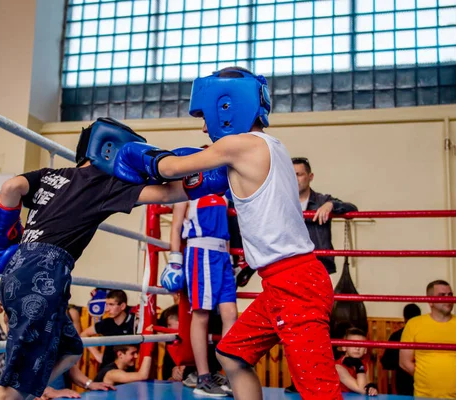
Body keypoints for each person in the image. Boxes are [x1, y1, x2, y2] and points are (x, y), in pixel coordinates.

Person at [108, 67, 343, 399]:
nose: (204, 126)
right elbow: (181, 191)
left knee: (319, 391)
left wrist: (126, 152)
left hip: (296, 286)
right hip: (281, 283)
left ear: (227, 106)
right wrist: (116, 197)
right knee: (231, 354)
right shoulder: (270, 147)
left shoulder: (239, 145)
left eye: (205, 115)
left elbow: (170, 169)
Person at [0, 117, 193, 400]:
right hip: (45, 275)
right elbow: (169, 192)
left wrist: (3, 228)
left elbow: (9, 188)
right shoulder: (105, 184)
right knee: (11, 389)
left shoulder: (49, 175)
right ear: (113, 151)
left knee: (70, 350)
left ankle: (30, 392)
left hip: (18, 266)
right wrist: (217, 174)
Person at [167, 191, 237, 396]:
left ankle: (231, 373)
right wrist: (174, 260)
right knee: (201, 313)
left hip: (223, 255)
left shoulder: (223, 191)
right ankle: (204, 377)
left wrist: (231, 260)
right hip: (200, 252)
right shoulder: (187, 189)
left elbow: (226, 231)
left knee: (230, 314)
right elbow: (176, 225)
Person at [400, 280, 456, 398]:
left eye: (450, 295)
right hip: (424, 396)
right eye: (442, 295)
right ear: (430, 301)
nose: (448, 299)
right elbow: (404, 362)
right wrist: (425, 377)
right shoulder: (414, 324)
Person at [292, 157, 358, 274]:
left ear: (310, 176)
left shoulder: (322, 201)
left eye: (299, 174)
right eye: (291, 175)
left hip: (317, 264)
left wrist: (331, 205)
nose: (294, 179)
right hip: (291, 263)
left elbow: (352, 209)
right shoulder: (283, 203)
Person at [80, 290, 135, 370]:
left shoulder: (133, 322)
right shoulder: (106, 323)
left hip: (126, 371)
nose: (107, 309)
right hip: (106, 369)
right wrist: (97, 355)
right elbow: (83, 334)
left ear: (122, 306)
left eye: (111, 305)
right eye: (106, 304)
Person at [380, 303, 421, 395]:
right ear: (420, 317)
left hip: (403, 383)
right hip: (424, 380)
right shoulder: (425, 335)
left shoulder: (397, 335)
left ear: (404, 318)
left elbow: (387, 363)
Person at [335, 327, 378, 396]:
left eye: (361, 345)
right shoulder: (338, 367)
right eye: (353, 344)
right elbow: (362, 389)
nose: (357, 348)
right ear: (344, 347)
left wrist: (371, 389)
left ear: (365, 350)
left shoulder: (364, 364)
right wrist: (359, 365)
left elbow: (367, 384)